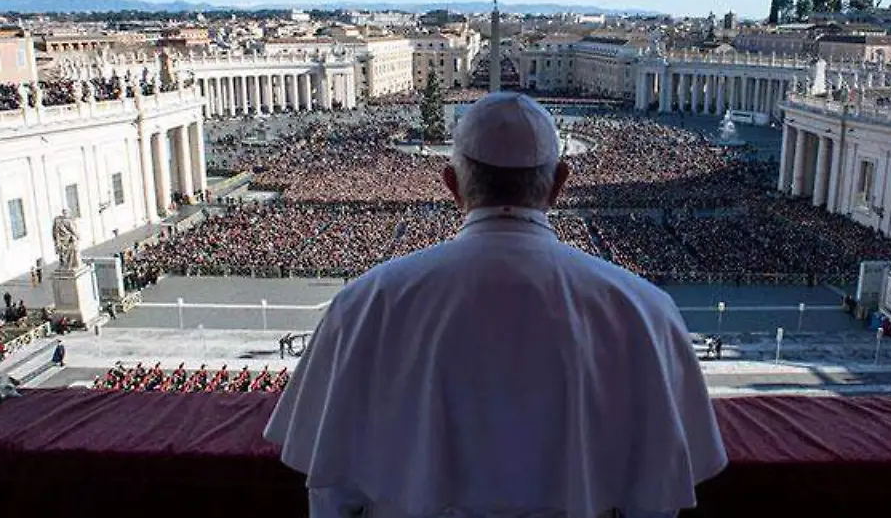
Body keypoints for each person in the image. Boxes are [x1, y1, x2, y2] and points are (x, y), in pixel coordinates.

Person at [264, 93, 726, 518]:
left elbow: (330, 488)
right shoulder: (645, 309)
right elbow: (660, 495)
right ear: (560, 183)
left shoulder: (364, 302)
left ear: (451, 184)